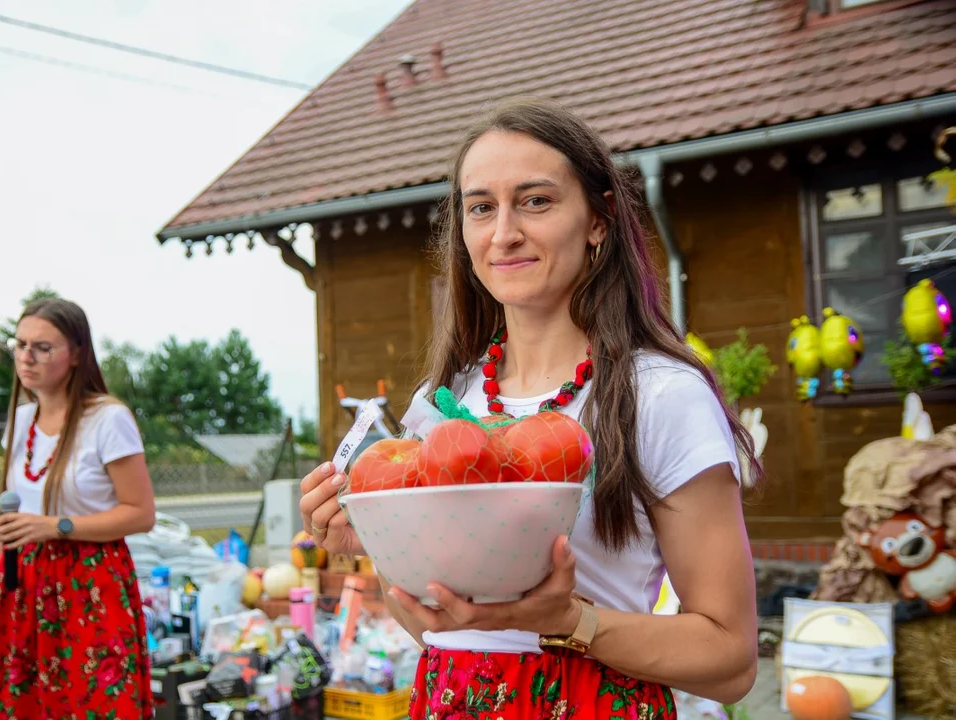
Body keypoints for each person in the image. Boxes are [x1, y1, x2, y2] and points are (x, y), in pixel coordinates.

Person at [300, 98, 760, 718]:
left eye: (536, 201)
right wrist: (378, 541)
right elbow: (444, 632)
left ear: (598, 220)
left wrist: (571, 621)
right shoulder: (441, 404)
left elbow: (731, 661)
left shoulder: (661, 395)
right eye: (481, 208)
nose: (504, 232)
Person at [0, 298, 156, 719]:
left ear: (76, 355)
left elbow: (141, 514)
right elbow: (8, 527)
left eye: (42, 347)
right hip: (21, 589)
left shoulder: (107, 419)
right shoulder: (21, 421)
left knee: (92, 706)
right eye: (20, 344)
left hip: (89, 585)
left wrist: (55, 525)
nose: (26, 356)